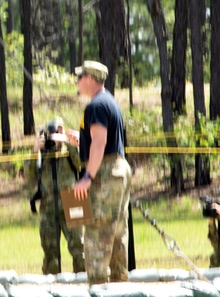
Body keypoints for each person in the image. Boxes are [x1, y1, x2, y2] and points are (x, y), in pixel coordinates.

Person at [71, 60, 132, 285]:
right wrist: (80, 141)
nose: (77, 82)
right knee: (116, 232)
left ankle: (97, 285)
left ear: (89, 79)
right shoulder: (109, 102)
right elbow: (102, 142)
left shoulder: (95, 106)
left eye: (79, 77)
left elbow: (99, 143)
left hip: (104, 173)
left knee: (97, 231)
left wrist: (87, 177)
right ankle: (119, 284)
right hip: (117, 168)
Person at [24, 117, 85, 274]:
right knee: (50, 251)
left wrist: (68, 142)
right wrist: (35, 150)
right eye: (53, 131)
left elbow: (81, 163)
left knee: (80, 247)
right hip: (48, 204)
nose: (56, 134)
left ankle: (85, 283)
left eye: (59, 130)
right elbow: (28, 175)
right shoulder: (42, 154)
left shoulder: (69, 148)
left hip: (73, 199)